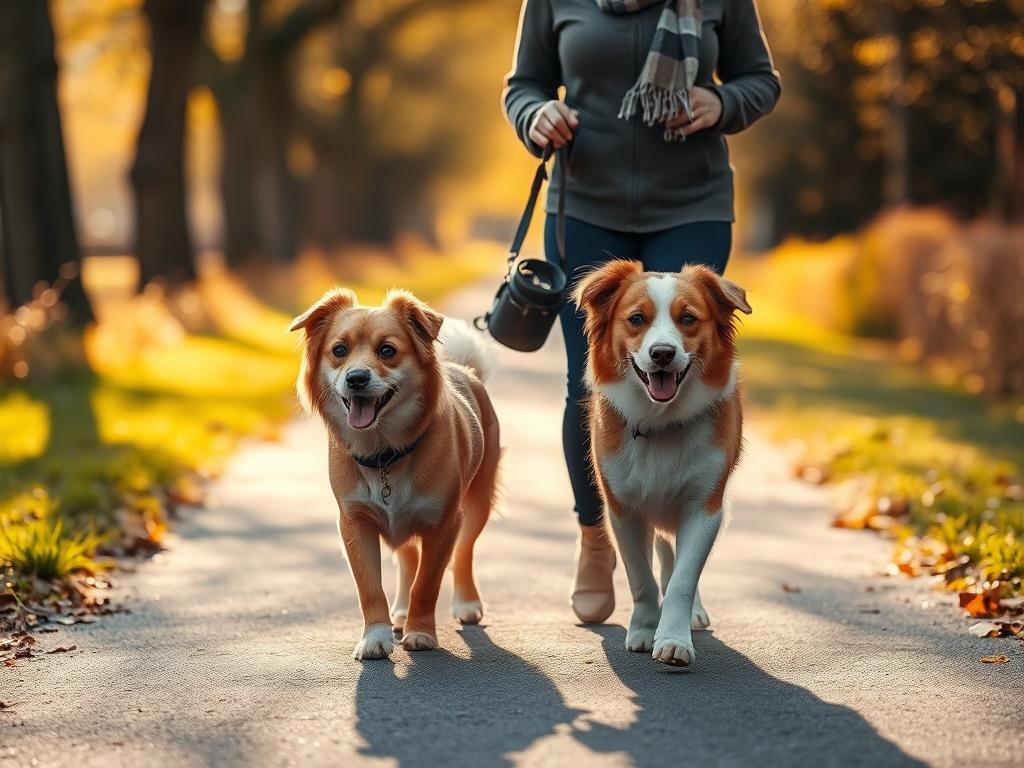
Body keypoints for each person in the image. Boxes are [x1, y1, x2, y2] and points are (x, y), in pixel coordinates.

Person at [503, 0, 780, 623]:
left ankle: (683, 558)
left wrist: (723, 104)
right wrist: (535, 114)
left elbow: (760, 80)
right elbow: (522, 85)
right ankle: (597, 539)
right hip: (584, 205)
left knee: (690, 378)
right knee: (597, 390)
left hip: (692, 203)